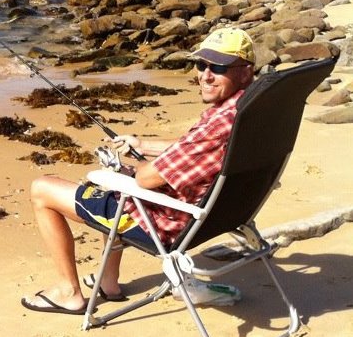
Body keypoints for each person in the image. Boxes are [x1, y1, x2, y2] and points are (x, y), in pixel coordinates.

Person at [21, 27, 255, 315]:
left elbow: (146, 179)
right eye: (201, 64)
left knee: (43, 189)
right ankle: (108, 283)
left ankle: (68, 292)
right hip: (213, 217)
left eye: (218, 67)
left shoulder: (218, 127)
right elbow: (192, 146)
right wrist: (142, 145)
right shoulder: (245, 111)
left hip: (164, 223)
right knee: (114, 189)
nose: (205, 75)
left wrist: (130, 171)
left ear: (245, 72)